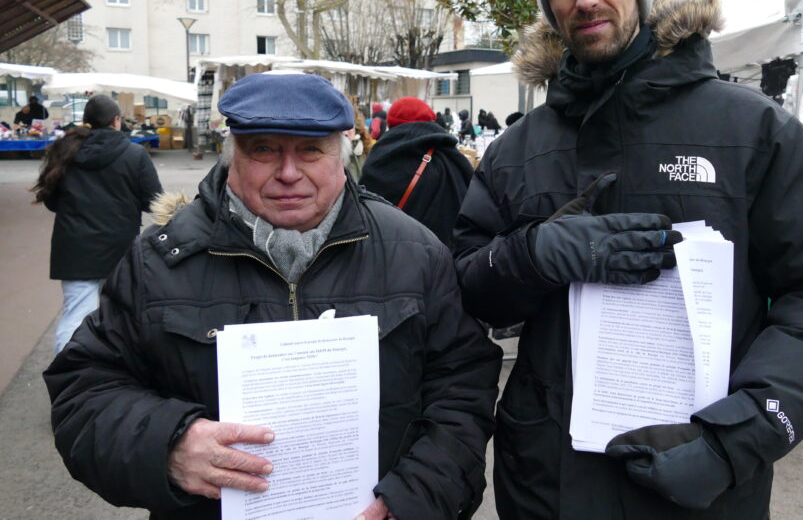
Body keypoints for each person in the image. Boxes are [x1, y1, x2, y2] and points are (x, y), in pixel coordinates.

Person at [452, 0, 803, 518]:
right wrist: (532, 255)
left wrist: (735, 440)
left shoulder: (751, 131)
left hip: (703, 485)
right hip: (546, 484)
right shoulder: (520, 149)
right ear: (547, 0)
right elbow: (468, 289)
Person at [44, 73, 501, 519]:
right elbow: (84, 394)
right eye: (263, 150)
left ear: (341, 157)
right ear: (232, 157)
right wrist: (167, 446)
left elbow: (462, 389)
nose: (288, 173)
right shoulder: (158, 263)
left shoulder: (415, 253)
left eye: (310, 151)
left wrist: (414, 499)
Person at [31, 94, 162, 354]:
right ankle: (113, 378)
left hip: (74, 249)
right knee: (119, 316)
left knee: (76, 316)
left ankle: (68, 382)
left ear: (86, 121)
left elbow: (51, 201)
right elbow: (154, 202)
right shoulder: (134, 154)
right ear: (116, 121)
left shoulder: (66, 151)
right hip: (120, 249)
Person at [360, 96, 474, 248]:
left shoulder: (378, 157)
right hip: (443, 254)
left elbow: (365, 210)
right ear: (430, 120)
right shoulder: (450, 157)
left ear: (391, 123)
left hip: (388, 251)